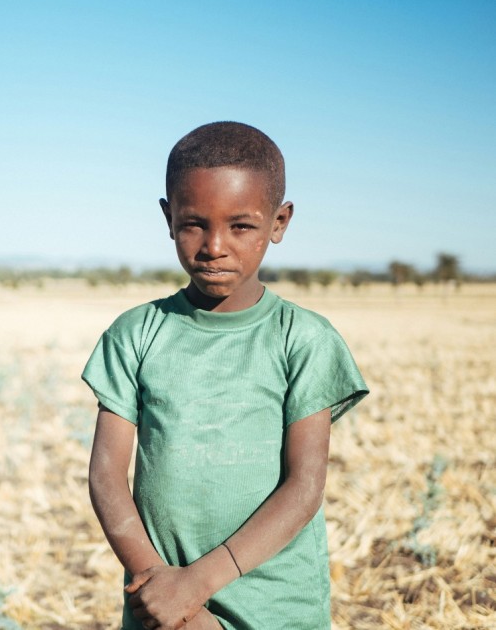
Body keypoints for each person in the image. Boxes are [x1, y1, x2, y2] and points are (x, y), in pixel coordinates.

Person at [82, 121, 369, 630]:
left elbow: (304, 487)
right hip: (163, 604)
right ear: (168, 218)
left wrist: (198, 584)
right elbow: (106, 476)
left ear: (279, 222)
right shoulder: (136, 334)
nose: (215, 245)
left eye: (241, 226)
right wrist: (163, 587)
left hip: (278, 605)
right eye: (194, 223)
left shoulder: (302, 339)